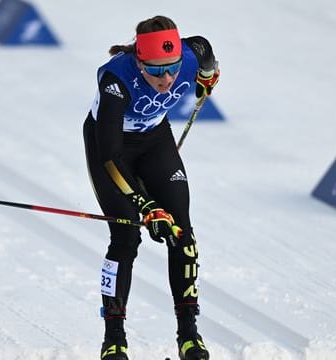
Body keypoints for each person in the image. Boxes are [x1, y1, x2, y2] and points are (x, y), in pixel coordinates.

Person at [83, 15, 219, 360]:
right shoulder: (115, 79)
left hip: (155, 141)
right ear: (139, 60)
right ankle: (113, 337)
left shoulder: (191, 53)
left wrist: (207, 77)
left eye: (173, 69)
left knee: (182, 233)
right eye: (156, 71)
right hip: (112, 150)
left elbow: (205, 54)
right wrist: (146, 207)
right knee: (126, 236)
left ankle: (189, 333)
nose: (168, 78)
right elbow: (111, 157)